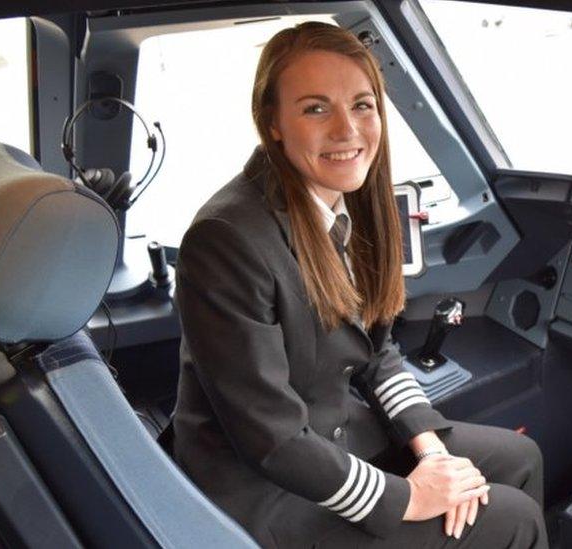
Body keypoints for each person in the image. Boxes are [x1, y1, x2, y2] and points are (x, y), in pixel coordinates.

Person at [172, 21, 547, 548]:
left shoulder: (347, 198)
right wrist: (408, 498)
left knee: (520, 459)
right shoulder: (225, 240)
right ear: (272, 122)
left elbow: (376, 348)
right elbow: (270, 438)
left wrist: (428, 445)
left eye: (363, 104)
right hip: (265, 488)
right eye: (315, 107)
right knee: (514, 517)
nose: (347, 130)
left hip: (335, 433)